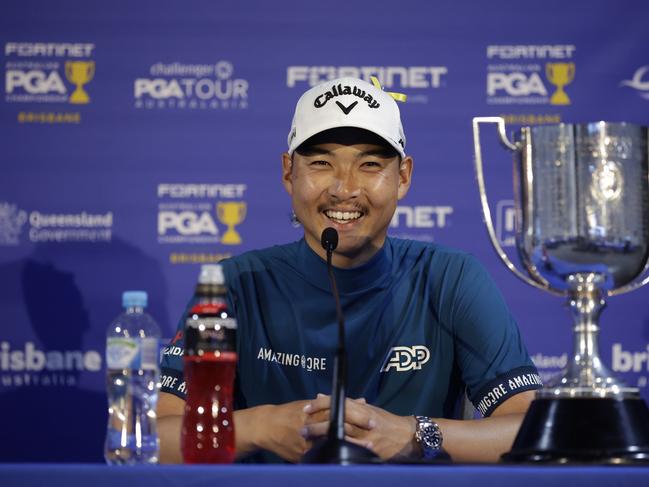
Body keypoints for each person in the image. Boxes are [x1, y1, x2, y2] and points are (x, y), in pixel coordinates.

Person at [157, 77, 541, 464]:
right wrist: (263, 426)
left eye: (370, 164)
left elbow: (530, 428)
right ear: (289, 173)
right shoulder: (233, 285)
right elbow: (154, 436)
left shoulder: (451, 278)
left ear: (403, 177)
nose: (345, 188)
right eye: (322, 163)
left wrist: (412, 433)